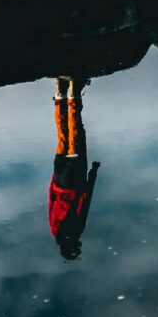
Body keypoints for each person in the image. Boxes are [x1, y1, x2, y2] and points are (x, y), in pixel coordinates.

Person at [49, 76, 100, 261]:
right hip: (59, 178)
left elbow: (84, 202)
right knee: (62, 135)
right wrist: (54, 180)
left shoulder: (75, 230)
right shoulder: (54, 230)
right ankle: (60, 94)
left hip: (73, 181)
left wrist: (93, 172)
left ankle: (74, 93)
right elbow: (51, 201)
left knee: (75, 134)